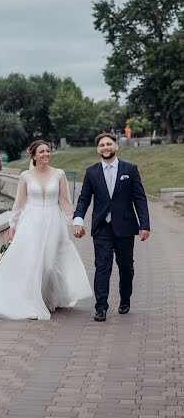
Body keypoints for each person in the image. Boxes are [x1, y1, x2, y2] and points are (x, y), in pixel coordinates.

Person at [0, 140, 92, 320]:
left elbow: (65, 202)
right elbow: (19, 204)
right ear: (33, 155)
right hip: (31, 222)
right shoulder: (25, 176)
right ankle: (31, 302)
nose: (46, 154)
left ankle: (48, 297)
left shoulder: (59, 174)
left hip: (53, 221)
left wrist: (75, 223)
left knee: (48, 263)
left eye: (48, 151)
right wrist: (12, 227)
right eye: (42, 151)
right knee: (32, 262)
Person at [73, 132, 150, 322]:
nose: (105, 147)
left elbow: (139, 198)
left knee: (126, 268)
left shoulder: (130, 170)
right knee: (102, 267)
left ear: (116, 146)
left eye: (109, 144)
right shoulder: (91, 172)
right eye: (101, 145)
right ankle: (101, 307)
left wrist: (144, 225)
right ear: (97, 149)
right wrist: (78, 221)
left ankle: (125, 299)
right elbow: (84, 199)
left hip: (125, 226)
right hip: (102, 228)